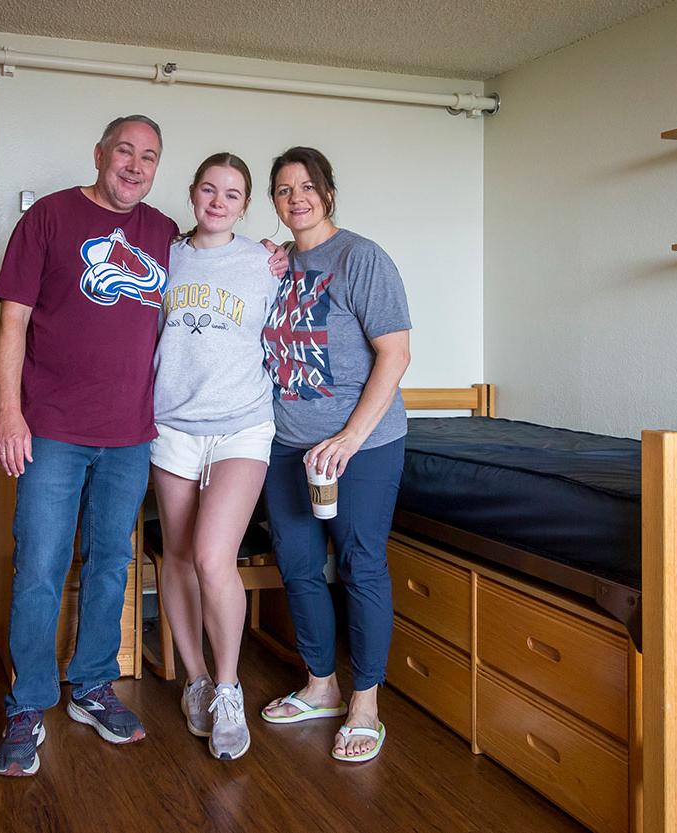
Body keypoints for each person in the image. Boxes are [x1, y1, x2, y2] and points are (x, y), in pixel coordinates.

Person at [0, 115, 179, 777]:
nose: (134, 164)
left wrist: (267, 254)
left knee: (110, 563)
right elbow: (12, 320)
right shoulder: (48, 218)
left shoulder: (164, 233)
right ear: (99, 154)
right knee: (40, 564)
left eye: (148, 156)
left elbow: (212, 282)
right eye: (124, 150)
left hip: (130, 434)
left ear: (157, 167)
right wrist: (10, 413)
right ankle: (29, 700)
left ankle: (92, 683)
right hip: (52, 430)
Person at [257, 147, 413, 764]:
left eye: (307, 186)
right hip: (287, 446)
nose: (296, 198)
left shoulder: (362, 258)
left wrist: (348, 439)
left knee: (360, 564)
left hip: (363, 446)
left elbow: (395, 355)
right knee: (297, 565)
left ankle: (366, 703)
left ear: (327, 192)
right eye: (283, 189)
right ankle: (321, 687)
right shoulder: (274, 264)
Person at [151, 153, 278, 761]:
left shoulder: (266, 262)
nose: (219, 201)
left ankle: (229, 689)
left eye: (232, 193)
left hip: (241, 427)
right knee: (176, 555)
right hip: (172, 425)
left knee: (210, 555)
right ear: (194, 193)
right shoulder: (164, 255)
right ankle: (196, 679)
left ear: (245, 205)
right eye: (209, 189)